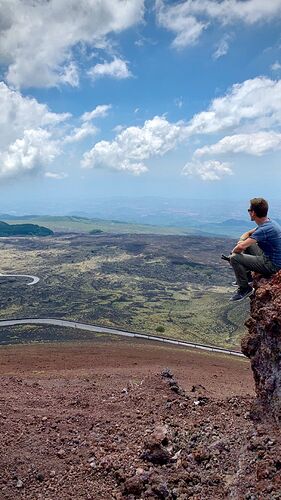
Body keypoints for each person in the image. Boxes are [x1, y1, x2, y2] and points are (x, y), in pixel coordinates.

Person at [229, 198, 281, 302]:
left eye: (249, 210)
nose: (249, 212)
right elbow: (247, 234)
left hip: (272, 265)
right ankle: (247, 277)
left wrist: (235, 251)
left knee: (234, 258)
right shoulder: (269, 223)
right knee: (247, 245)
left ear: (253, 213)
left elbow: (239, 248)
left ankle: (244, 288)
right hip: (269, 256)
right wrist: (241, 242)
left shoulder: (264, 229)